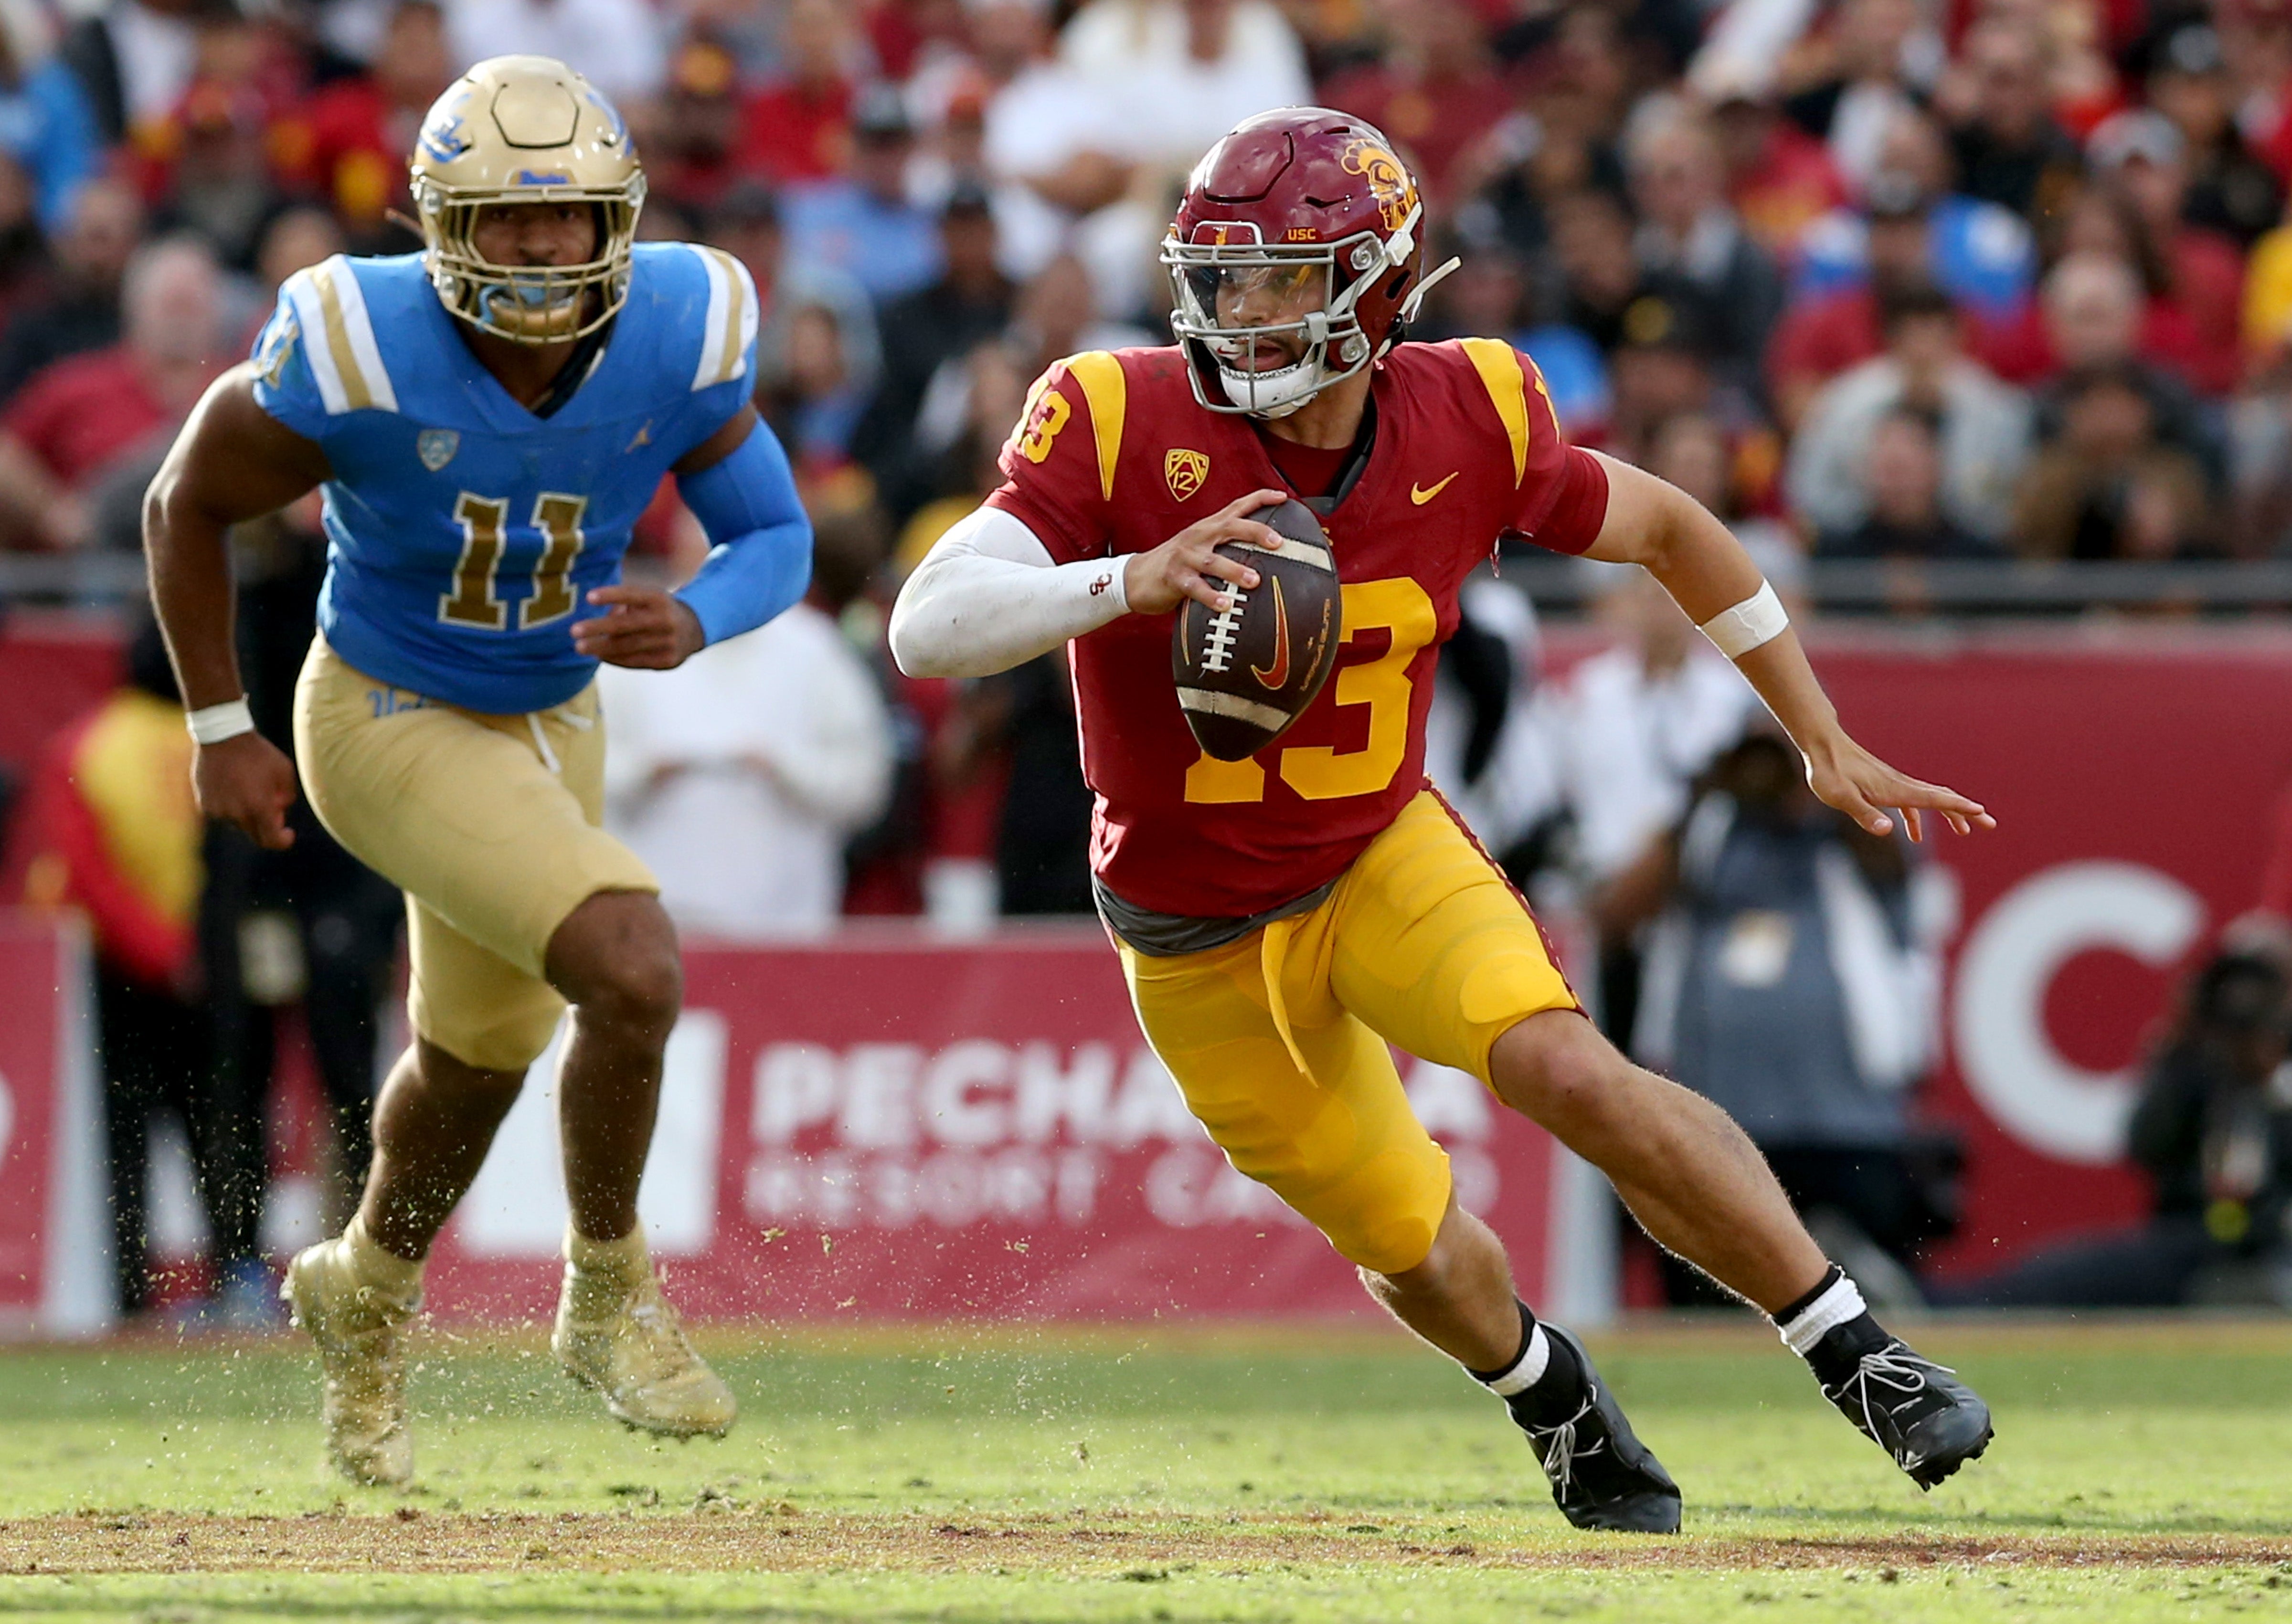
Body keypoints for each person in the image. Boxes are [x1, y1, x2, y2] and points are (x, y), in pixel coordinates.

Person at [890, 108, 1995, 1533]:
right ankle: (1553, 1398)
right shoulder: (1115, 410)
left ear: (1377, 288)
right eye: (1221, 277)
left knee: (1568, 1069)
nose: (1242, 309)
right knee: (1409, 1238)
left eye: (1283, 277)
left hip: (1377, 848)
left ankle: (1856, 1350)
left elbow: (1668, 527)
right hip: (1193, 928)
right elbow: (927, 624)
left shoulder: (1470, 406)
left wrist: (1816, 728)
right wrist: (1128, 578)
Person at [142, 56, 813, 1487]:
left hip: (555, 710)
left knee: (477, 1058)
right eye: (504, 220)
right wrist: (219, 725)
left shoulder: (683, 323)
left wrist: (697, 613)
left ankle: (364, 1289)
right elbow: (183, 500)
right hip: (383, 709)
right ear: (440, 224)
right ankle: (610, 1290)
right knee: (631, 962)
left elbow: (778, 537)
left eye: (564, 218)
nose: (538, 248)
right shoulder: (356, 335)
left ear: (614, 221)